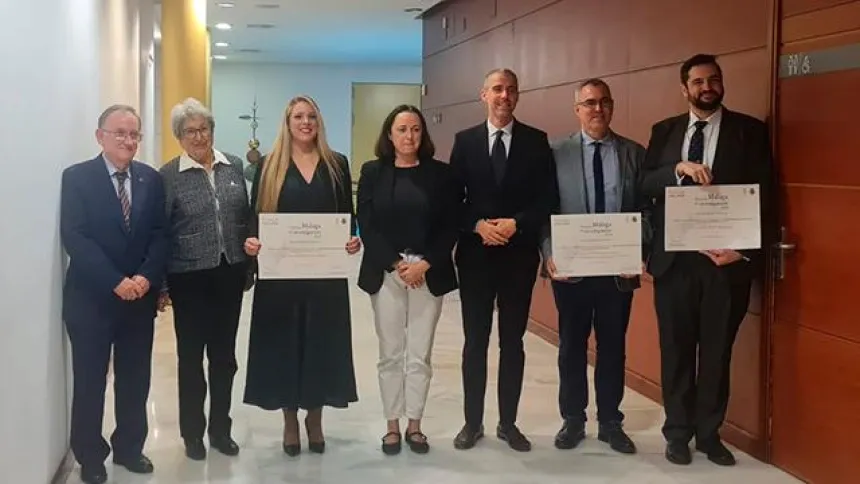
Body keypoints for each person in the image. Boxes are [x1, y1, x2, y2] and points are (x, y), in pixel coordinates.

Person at [641, 53, 773, 467]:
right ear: (685, 89)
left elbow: (766, 197)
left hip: (725, 264)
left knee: (717, 353)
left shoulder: (749, 132)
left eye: (714, 80)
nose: (707, 87)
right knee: (676, 350)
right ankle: (677, 433)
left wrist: (746, 250)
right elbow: (644, 183)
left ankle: (710, 434)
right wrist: (675, 169)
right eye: (698, 82)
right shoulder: (664, 131)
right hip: (675, 263)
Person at [242, 95, 362, 456]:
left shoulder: (337, 164)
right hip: (281, 277)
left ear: (319, 121)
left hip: (324, 277)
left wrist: (353, 240)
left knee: (322, 346)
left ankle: (315, 417)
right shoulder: (268, 166)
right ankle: (290, 420)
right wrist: (251, 242)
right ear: (288, 122)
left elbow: (347, 217)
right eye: (298, 116)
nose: (305, 122)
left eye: (311, 116)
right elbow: (254, 216)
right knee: (284, 346)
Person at [539, 78, 651, 455]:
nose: (597, 109)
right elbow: (545, 209)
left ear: (612, 106)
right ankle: (572, 419)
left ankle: (610, 422)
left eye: (603, 102)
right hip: (571, 269)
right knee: (571, 345)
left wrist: (640, 249)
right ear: (577, 109)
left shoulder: (634, 153)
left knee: (613, 347)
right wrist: (549, 252)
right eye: (589, 103)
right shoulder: (555, 152)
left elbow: (647, 211)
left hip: (618, 271)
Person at [450, 68, 558, 452]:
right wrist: (477, 225)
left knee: (512, 342)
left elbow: (547, 200)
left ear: (517, 96)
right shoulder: (464, 142)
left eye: (511, 90)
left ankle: (508, 423)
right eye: (497, 89)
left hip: (518, 258)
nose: (504, 96)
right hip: (476, 257)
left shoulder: (536, 141)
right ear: (484, 95)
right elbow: (453, 201)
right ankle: (472, 422)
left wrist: (517, 224)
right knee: (474, 341)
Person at [60, 105, 168, 484]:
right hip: (91, 299)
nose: (128, 140)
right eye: (119, 132)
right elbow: (75, 236)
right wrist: (115, 280)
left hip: (138, 300)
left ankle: (129, 448)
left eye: (134, 134)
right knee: (90, 381)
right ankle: (90, 455)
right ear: (100, 136)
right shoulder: (76, 178)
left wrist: (144, 278)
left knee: (135, 378)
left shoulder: (150, 180)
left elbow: (159, 234)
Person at [356, 105, 460, 455]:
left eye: (415, 129)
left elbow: (450, 224)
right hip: (387, 272)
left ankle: (415, 424)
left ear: (423, 134)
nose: (409, 136)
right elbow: (366, 223)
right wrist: (397, 263)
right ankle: (392, 426)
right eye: (401, 129)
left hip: (428, 273)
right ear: (389, 134)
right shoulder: (373, 172)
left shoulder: (441, 175)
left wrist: (425, 263)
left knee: (420, 353)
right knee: (390, 353)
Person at [159, 98, 251, 460]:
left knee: (225, 358)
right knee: (191, 359)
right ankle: (192, 434)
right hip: (189, 279)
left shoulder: (234, 166)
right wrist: (163, 285)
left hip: (230, 274)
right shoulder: (168, 176)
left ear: (213, 130)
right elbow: (162, 231)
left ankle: (220, 430)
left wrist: (249, 263)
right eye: (190, 131)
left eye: (204, 129)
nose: (199, 136)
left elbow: (245, 217)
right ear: (179, 137)